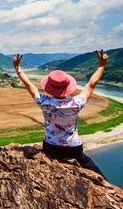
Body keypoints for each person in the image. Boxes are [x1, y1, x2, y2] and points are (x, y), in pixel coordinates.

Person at [13, 50, 109, 178]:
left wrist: (18, 68)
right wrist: (102, 65)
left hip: (51, 147)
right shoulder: (76, 102)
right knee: (87, 163)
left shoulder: (44, 102)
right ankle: (104, 181)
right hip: (74, 148)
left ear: (49, 86)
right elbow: (92, 84)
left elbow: (28, 84)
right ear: (68, 86)